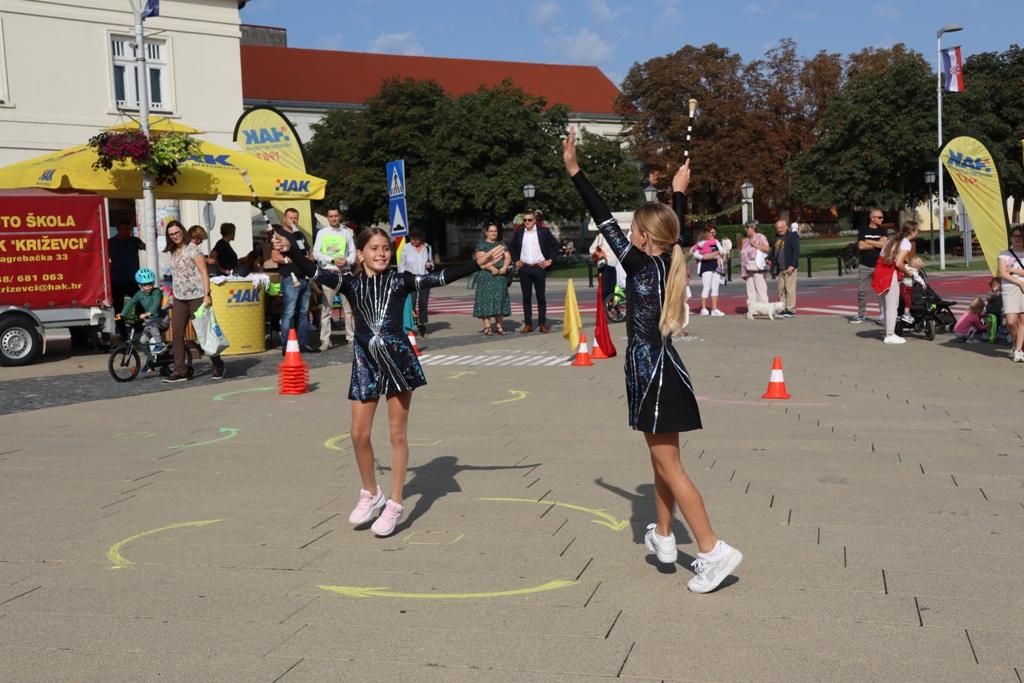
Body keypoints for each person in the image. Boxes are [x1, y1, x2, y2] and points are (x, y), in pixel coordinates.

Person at [562, 128, 742, 594]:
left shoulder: (641, 264)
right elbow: (670, 229)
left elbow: (601, 215)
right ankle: (663, 534)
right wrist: (678, 192)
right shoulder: (668, 258)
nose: (625, 236)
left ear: (642, 238)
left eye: (631, 233)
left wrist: (575, 171)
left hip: (653, 374)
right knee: (663, 463)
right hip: (665, 370)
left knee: (671, 469)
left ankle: (712, 550)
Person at [270, 227, 505, 537]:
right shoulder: (350, 283)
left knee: (396, 434)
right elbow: (314, 271)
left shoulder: (400, 280)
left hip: (398, 363)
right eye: (374, 248)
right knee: (358, 434)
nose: (381, 253)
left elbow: (439, 278)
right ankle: (371, 493)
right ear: (360, 253)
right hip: (366, 364)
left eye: (385, 248)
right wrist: (292, 249)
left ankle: (395, 502)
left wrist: (476, 264)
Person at [161, 220, 225, 381]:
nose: (174, 236)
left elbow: (204, 273)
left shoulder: (193, 250)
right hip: (180, 298)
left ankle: (217, 364)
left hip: (197, 296)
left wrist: (207, 294)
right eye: (171, 234)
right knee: (177, 333)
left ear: (182, 232)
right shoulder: (173, 251)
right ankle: (180, 370)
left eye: (177, 232)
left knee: (203, 332)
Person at [312, 208, 356, 350]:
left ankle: (351, 337)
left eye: (336, 216)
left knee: (348, 309)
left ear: (339, 216)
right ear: (328, 218)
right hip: (329, 273)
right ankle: (325, 340)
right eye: (331, 216)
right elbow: (316, 253)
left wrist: (347, 261)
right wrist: (332, 260)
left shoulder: (347, 233)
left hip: (345, 273)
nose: (334, 218)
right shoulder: (322, 233)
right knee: (326, 310)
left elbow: (353, 252)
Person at [509, 210, 560, 333]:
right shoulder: (519, 232)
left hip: (539, 268)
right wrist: (516, 260)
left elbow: (555, 245)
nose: (527, 222)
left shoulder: (543, 231)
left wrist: (550, 260)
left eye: (529, 220)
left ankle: (542, 324)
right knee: (526, 298)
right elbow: (512, 247)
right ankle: (528, 324)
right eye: (525, 220)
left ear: (534, 220)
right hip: (524, 268)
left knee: (540, 297)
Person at [271, 207, 313, 352]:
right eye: (291, 218)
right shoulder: (280, 235)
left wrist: (309, 258)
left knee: (303, 313)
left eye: (295, 218)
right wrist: (291, 260)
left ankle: (303, 343)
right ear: (285, 219)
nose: (293, 220)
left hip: (304, 278)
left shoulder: (300, 235)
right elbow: (275, 257)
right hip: (290, 278)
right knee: (289, 313)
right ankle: (286, 346)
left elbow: (309, 253)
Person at [872, 221, 919, 345]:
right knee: (892, 306)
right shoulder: (906, 243)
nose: (917, 233)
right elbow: (899, 263)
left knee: (886, 307)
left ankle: (888, 332)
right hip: (889, 274)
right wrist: (910, 273)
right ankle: (890, 335)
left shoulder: (892, 240)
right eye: (916, 231)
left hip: (879, 272)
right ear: (912, 232)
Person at [851, 209, 888, 324]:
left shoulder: (883, 230)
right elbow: (861, 246)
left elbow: (884, 244)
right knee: (862, 291)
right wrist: (877, 243)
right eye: (879, 217)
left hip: (879, 265)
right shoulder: (863, 230)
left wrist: (869, 241)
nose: (882, 219)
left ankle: (883, 314)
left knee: (881, 292)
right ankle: (861, 315)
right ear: (872, 218)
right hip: (865, 266)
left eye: (882, 217)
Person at [473, 223, 511, 335]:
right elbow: (480, 260)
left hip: (500, 276)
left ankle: (500, 327)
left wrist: (505, 267)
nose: (494, 233)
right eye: (491, 231)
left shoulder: (501, 244)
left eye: (495, 231)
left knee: (499, 300)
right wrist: (491, 268)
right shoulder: (481, 245)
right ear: (486, 233)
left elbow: (508, 256)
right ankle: (487, 327)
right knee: (486, 301)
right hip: (486, 276)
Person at [120, 267, 166, 355]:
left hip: (162, 320)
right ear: (140, 286)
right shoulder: (139, 294)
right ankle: (151, 359)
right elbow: (131, 303)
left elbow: (156, 304)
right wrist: (122, 314)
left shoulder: (156, 292)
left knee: (151, 324)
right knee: (142, 341)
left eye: (150, 284)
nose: (148, 286)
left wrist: (149, 313)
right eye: (145, 285)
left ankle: (160, 344)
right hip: (150, 321)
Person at [397, 229, 434, 336]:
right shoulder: (406, 247)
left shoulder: (427, 247)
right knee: (411, 302)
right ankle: (411, 324)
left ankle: (422, 324)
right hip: (410, 279)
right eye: (412, 239)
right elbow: (401, 264)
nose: (413, 241)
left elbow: (431, 262)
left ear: (421, 238)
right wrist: (401, 278)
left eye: (416, 239)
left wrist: (430, 265)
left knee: (423, 302)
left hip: (424, 278)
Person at [997, 225, 1024, 362]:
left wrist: (1012, 269)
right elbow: (1002, 273)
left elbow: (1008, 270)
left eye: (1020, 236)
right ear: (1011, 238)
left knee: (1022, 320)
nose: (1017, 238)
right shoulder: (1004, 254)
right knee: (1011, 320)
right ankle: (1015, 342)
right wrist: (1019, 282)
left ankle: (1019, 350)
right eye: (1015, 236)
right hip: (1010, 288)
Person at [108, 221, 146, 310]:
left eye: (129, 229)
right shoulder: (110, 242)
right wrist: (108, 264)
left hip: (133, 280)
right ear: (118, 229)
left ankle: (139, 318)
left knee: (141, 302)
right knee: (118, 307)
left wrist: (153, 236)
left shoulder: (135, 240)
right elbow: (100, 254)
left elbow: (147, 247)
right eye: (125, 229)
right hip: (116, 280)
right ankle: (119, 320)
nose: (128, 231)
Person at [691, 224, 725, 316]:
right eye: (711, 232)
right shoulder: (701, 243)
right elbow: (695, 253)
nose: (713, 234)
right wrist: (704, 257)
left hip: (716, 266)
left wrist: (712, 254)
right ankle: (703, 309)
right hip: (706, 266)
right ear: (706, 233)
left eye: (714, 232)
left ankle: (714, 309)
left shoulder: (716, 241)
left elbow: (722, 251)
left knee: (715, 288)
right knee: (706, 287)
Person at [771, 219, 800, 317]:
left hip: (789, 267)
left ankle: (790, 309)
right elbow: (773, 250)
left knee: (789, 289)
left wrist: (793, 265)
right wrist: (769, 259)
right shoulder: (776, 237)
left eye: (781, 227)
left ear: (786, 227)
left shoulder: (792, 236)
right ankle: (782, 308)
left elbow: (796, 252)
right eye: (778, 228)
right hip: (780, 268)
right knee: (781, 289)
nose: (780, 230)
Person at [740, 221, 770, 307]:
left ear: (752, 228)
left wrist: (756, 245)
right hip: (747, 267)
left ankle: (763, 308)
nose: (745, 229)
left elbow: (767, 249)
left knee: (760, 288)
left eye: (747, 228)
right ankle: (753, 309)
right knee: (750, 290)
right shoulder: (746, 240)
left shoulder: (760, 237)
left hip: (757, 266)